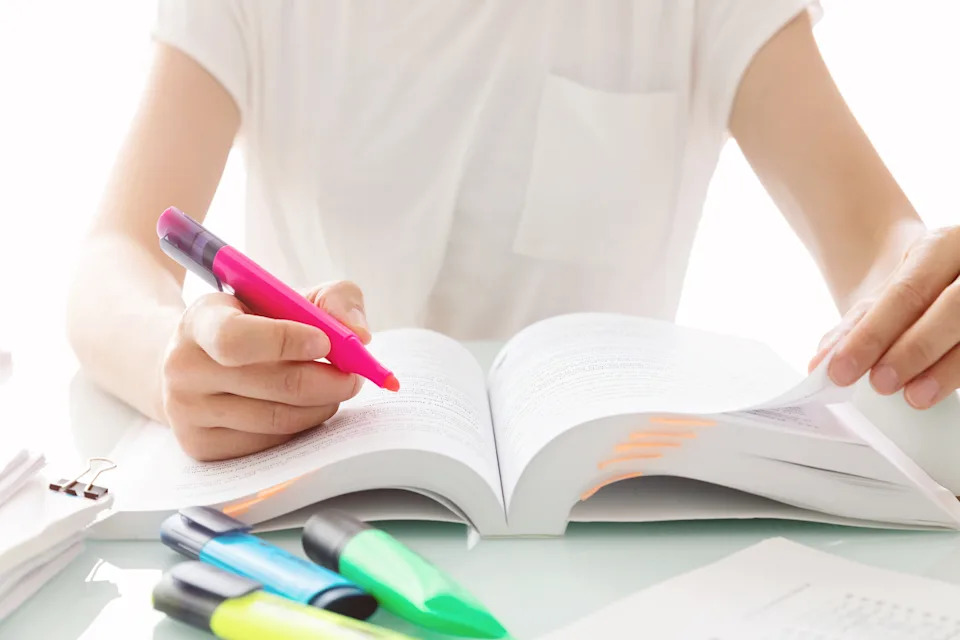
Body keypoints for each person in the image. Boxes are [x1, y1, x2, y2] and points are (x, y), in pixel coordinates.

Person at [66, 1, 960, 461]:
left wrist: (926, 293)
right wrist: (172, 363)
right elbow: (113, 259)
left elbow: (875, 238)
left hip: (610, 514)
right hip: (319, 507)